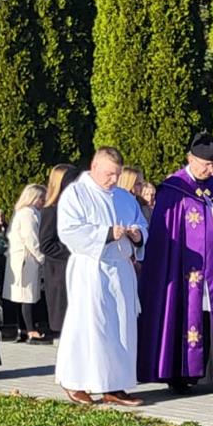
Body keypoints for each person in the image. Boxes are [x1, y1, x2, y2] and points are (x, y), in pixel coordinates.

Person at [139, 132, 213, 393]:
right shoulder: (173, 189)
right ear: (190, 158)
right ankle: (180, 375)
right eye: (204, 164)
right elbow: (165, 234)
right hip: (185, 269)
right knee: (184, 312)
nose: (208, 169)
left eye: (212, 165)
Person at [55, 146, 148, 408]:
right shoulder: (76, 193)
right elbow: (68, 230)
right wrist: (107, 234)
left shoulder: (124, 197)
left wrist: (138, 235)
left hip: (120, 269)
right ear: (94, 167)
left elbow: (142, 224)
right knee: (89, 325)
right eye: (109, 174)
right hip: (91, 268)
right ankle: (75, 381)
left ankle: (114, 385)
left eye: (117, 174)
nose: (114, 180)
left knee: (120, 327)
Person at [36, 163, 77, 338]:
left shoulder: (73, 210)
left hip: (73, 272)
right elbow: (46, 244)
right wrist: (74, 250)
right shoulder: (52, 211)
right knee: (65, 327)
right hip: (59, 273)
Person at [3, 183, 47, 343]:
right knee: (27, 296)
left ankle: (22, 329)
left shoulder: (21, 213)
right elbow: (31, 239)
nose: (43, 202)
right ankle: (31, 331)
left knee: (21, 296)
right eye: (41, 198)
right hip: (26, 259)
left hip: (20, 258)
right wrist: (42, 258)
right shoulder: (28, 214)